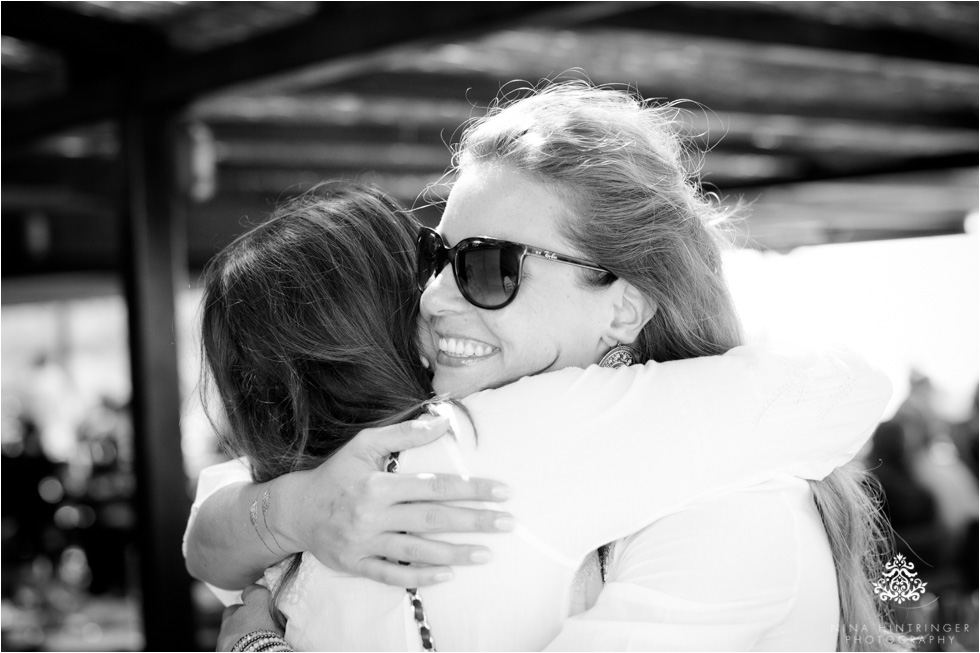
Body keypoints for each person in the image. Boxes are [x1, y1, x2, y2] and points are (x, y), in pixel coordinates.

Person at [187, 82, 901, 650]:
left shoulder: (733, 510)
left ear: (624, 307)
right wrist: (296, 509)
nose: (433, 298)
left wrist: (256, 642)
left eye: (489, 266)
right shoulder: (459, 446)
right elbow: (209, 532)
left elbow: (846, 384)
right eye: (437, 257)